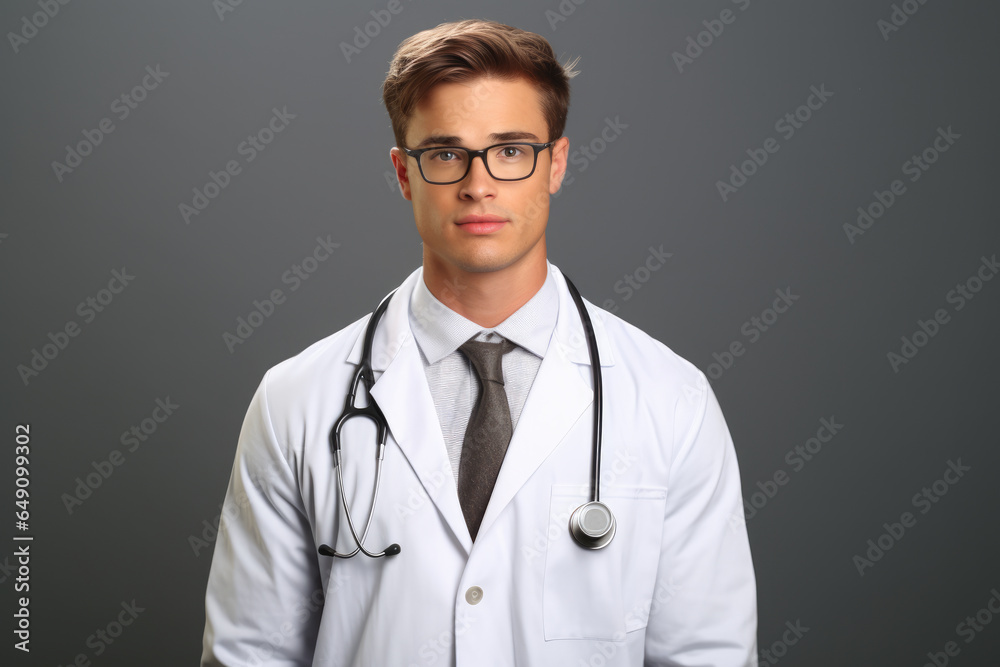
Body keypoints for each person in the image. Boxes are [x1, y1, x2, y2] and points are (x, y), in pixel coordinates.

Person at [201, 18, 757, 667]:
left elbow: (707, 656)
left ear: (556, 164)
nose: (478, 183)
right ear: (404, 174)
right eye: (445, 153)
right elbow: (250, 655)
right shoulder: (297, 399)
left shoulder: (672, 400)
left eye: (512, 150)